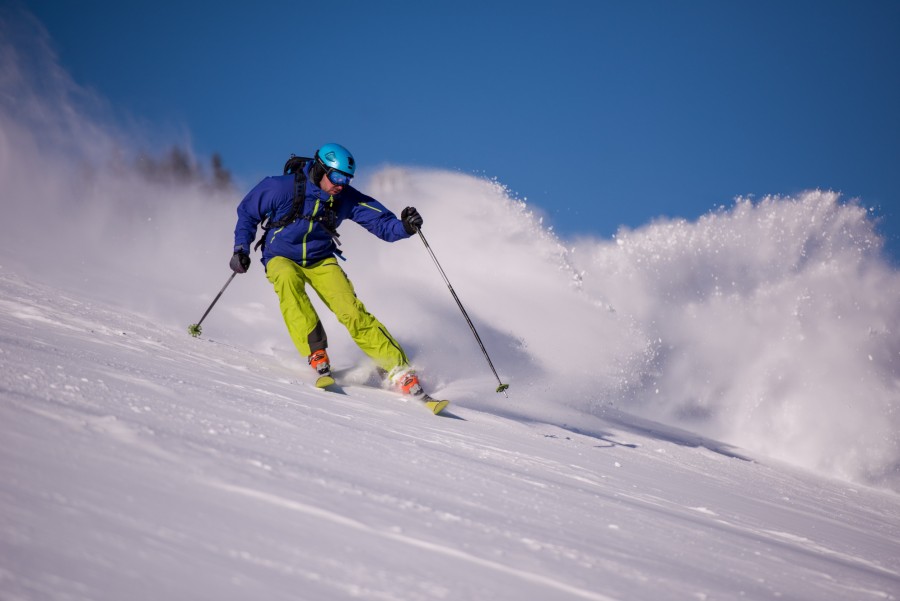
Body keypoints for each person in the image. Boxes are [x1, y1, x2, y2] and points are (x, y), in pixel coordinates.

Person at [230, 143, 425, 395]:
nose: (340, 184)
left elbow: (382, 224)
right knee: (287, 281)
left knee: (350, 310)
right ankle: (316, 351)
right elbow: (247, 213)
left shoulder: (344, 197)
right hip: (280, 255)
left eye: (346, 179)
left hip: (320, 258)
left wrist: (406, 227)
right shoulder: (281, 187)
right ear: (320, 169)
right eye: (336, 177)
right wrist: (240, 249)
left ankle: (397, 368)